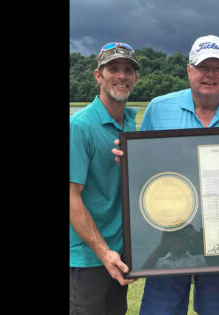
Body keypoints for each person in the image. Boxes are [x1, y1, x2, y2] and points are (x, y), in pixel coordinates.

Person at [113, 35, 219, 315]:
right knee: (162, 309)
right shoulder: (160, 107)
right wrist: (129, 159)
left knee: (218, 310)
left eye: (218, 68)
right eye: (203, 66)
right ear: (189, 69)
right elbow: (144, 168)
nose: (210, 74)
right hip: (170, 229)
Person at [70, 42, 141, 315]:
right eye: (113, 69)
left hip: (118, 254)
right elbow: (71, 196)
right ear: (98, 75)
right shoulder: (80, 126)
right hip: (88, 257)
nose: (121, 76)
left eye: (128, 70)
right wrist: (103, 252)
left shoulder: (132, 123)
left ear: (135, 78)